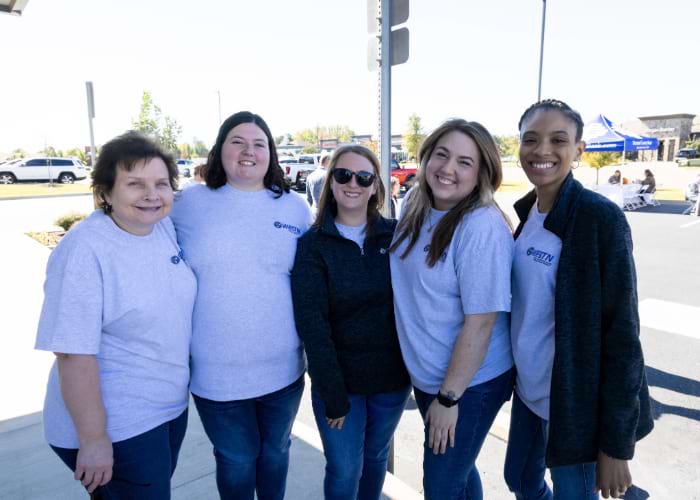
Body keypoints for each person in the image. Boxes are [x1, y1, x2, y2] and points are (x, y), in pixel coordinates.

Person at [504, 99, 653, 500]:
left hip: (574, 403)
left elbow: (623, 334)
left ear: (578, 150)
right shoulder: (527, 213)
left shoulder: (599, 218)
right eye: (530, 139)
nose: (542, 151)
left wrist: (615, 445)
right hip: (529, 391)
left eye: (558, 140)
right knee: (519, 479)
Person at [35, 131, 196, 499]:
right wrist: (93, 440)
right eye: (134, 184)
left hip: (165, 407)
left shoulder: (160, 227)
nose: (151, 194)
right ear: (106, 192)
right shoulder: (85, 250)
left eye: (161, 183)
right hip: (120, 423)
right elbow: (73, 353)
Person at [170, 111, 312, 500]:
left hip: (283, 371)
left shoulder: (294, 208)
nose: (248, 151)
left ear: (271, 154)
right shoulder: (186, 203)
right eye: (238, 142)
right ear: (220, 150)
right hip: (216, 373)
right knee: (235, 460)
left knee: (276, 453)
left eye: (259, 143)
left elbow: (315, 281)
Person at [390, 118, 515, 499]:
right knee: (459, 472)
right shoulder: (416, 204)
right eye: (441, 155)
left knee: (441, 485)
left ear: (481, 173)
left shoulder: (480, 227)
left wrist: (449, 398)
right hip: (430, 376)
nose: (448, 169)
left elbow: (481, 323)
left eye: (464, 162)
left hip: (469, 384)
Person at [291, 145, 411, 500]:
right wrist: (333, 393)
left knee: (375, 458)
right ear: (331, 181)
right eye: (343, 175)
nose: (353, 184)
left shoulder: (397, 235)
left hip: (391, 382)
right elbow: (312, 324)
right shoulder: (313, 245)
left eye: (364, 177)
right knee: (344, 468)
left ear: (376, 186)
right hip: (341, 385)